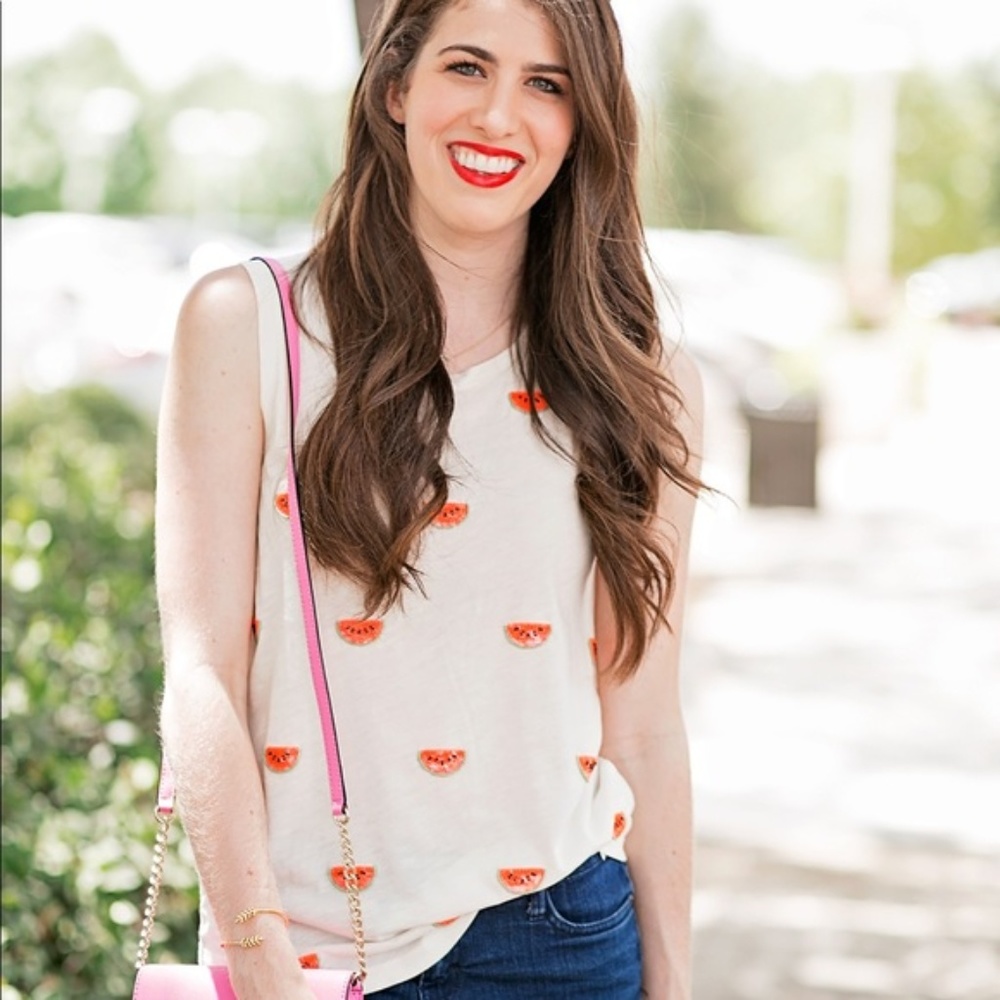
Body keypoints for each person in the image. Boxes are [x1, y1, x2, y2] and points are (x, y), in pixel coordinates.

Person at [154, 0, 704, 997]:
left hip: (559, 935)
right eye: (467, 67)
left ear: (582, 123)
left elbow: (645, 724)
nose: (500, 115)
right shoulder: (248, 326)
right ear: (396, 86)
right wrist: (258, 953)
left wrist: (673, 985)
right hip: (303, 948)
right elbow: (202, 673)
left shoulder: (639, 380)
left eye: (548, 85)